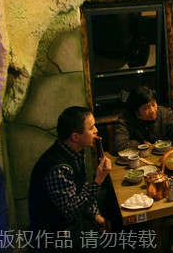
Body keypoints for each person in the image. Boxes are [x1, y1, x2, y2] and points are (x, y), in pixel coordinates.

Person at [28, 106, 112, 251]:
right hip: (55, 233)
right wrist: (98, 180)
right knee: (106, 245)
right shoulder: (59, 167)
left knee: (110, 198)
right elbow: (71, 211)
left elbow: (81, 188)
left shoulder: (75, 151)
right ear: (75, 137)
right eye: (91, 128)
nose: (96, 131)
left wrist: (95, 215)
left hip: (69, 218)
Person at [111, 86, 173, 151]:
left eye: (154, 104)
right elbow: (119, 145)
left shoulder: (163, 113)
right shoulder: (126, 120)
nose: (152, 111)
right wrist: (141, 143)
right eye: (146, 108)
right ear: (136, 110)